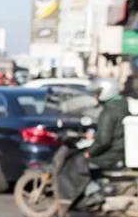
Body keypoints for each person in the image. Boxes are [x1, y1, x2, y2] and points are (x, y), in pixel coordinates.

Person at [58, 76, 135, 209]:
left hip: (112, 153)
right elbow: (113, 132)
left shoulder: (109, 112)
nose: (95, 96)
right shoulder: (121, 104)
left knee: (78, 162)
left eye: (97, 92)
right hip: (120, 149)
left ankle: (89, 196)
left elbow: (104, 140)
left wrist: (89, 152)